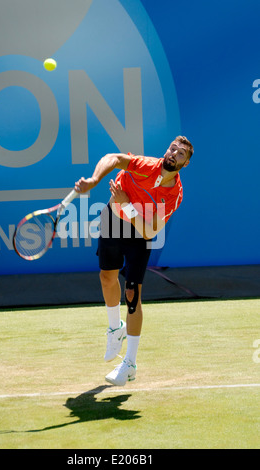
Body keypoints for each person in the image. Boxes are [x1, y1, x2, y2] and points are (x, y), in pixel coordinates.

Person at [75, 136, 194, 386]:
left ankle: (129, 364)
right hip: (112, 220)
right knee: (106, 277)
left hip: (138, 231)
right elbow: (114, 159)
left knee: (132, 294)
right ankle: (114, 329)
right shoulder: (144, 165)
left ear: (185, 164)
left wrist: (127, 206)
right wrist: (94, 181)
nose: (173, 153)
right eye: (172, 148)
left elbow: (149, 232)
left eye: (181, 153)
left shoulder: (173, 195)